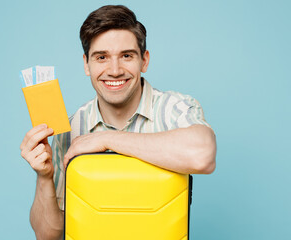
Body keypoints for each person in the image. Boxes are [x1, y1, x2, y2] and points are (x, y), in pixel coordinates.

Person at [20, 5, 216, 240]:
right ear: (86, 64)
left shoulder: (175, 109)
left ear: (144, 61)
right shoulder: (69, 129)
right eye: (101, 57)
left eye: (126, 56)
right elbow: (47, 236)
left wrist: (105, 139)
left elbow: (203, 155)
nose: (114, 70)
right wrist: (44, 177)